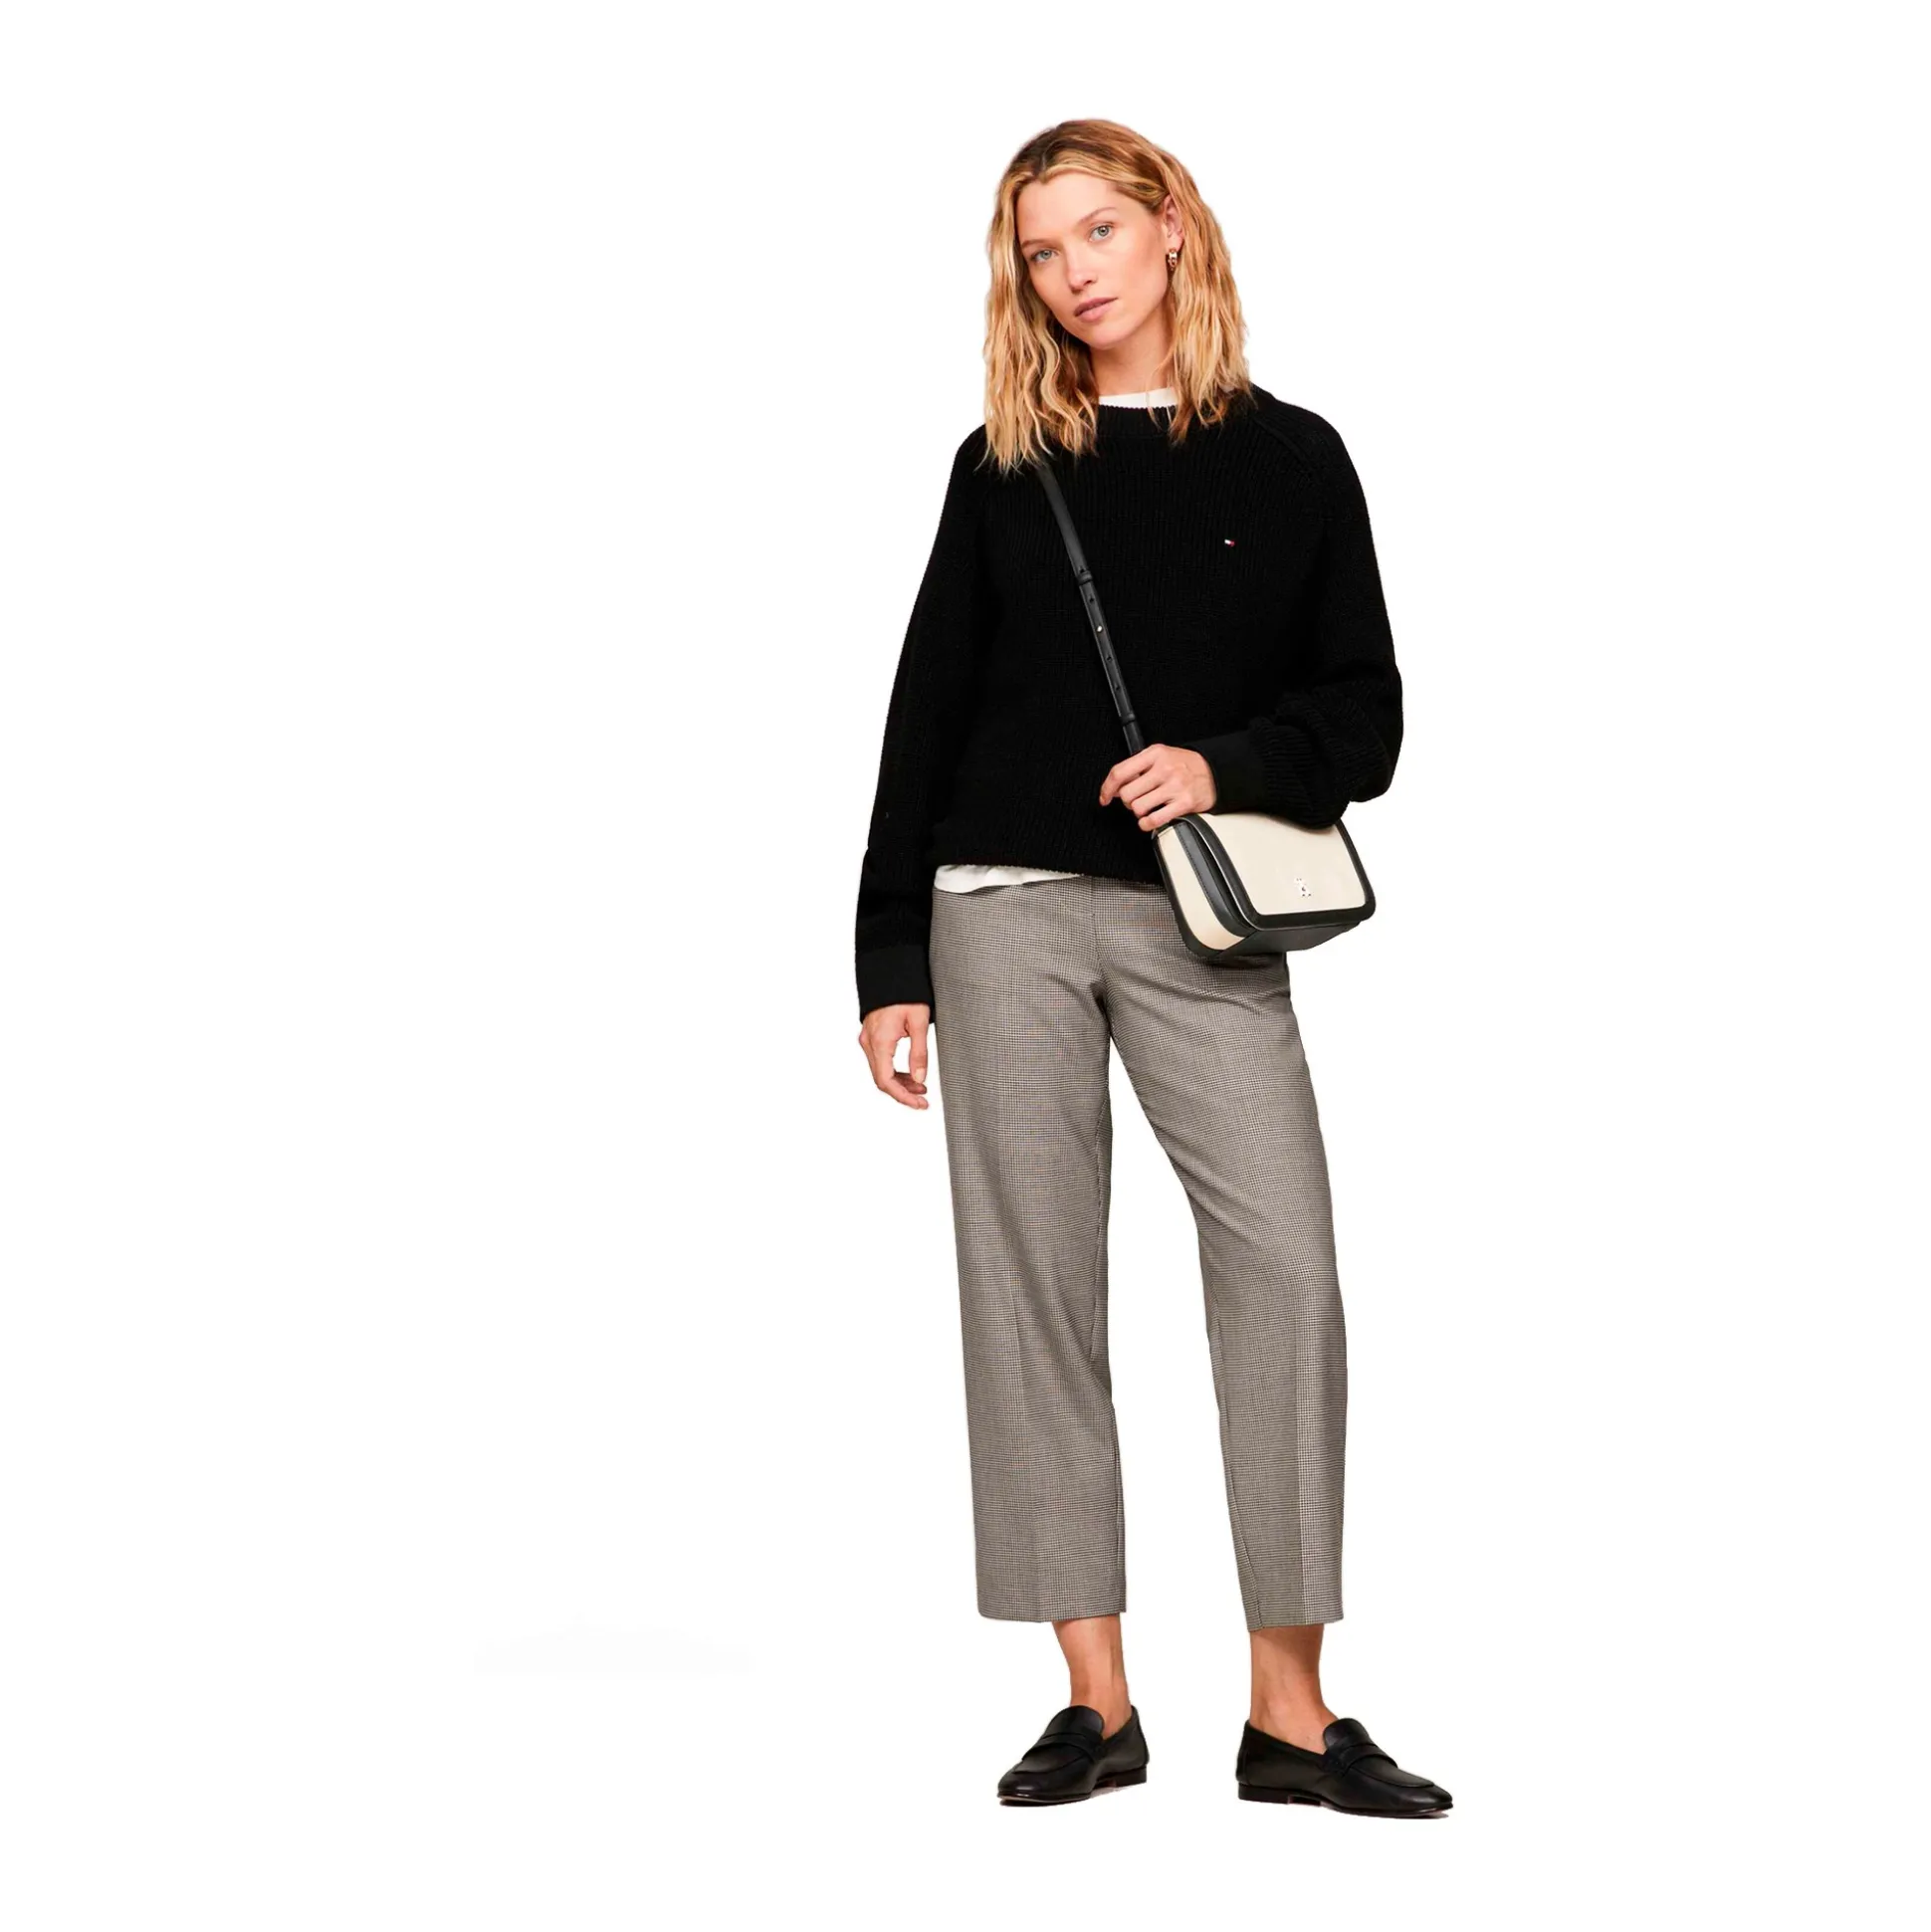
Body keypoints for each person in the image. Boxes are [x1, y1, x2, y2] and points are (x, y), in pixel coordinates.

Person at [852, 117, 1451, 1817]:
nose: (1075, 272)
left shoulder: (1295, 457)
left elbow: (1366, 715)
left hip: (1204, 917)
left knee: (1287, 1273)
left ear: (1172, 224)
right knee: (1033, 1289)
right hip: (1003, 911)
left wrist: (1223, 764)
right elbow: (922, 717)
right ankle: (1096, 1702)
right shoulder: (1001, 464)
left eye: (1100, 231)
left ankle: (1291, 1716)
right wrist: (889, 955)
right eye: (1043, 251)